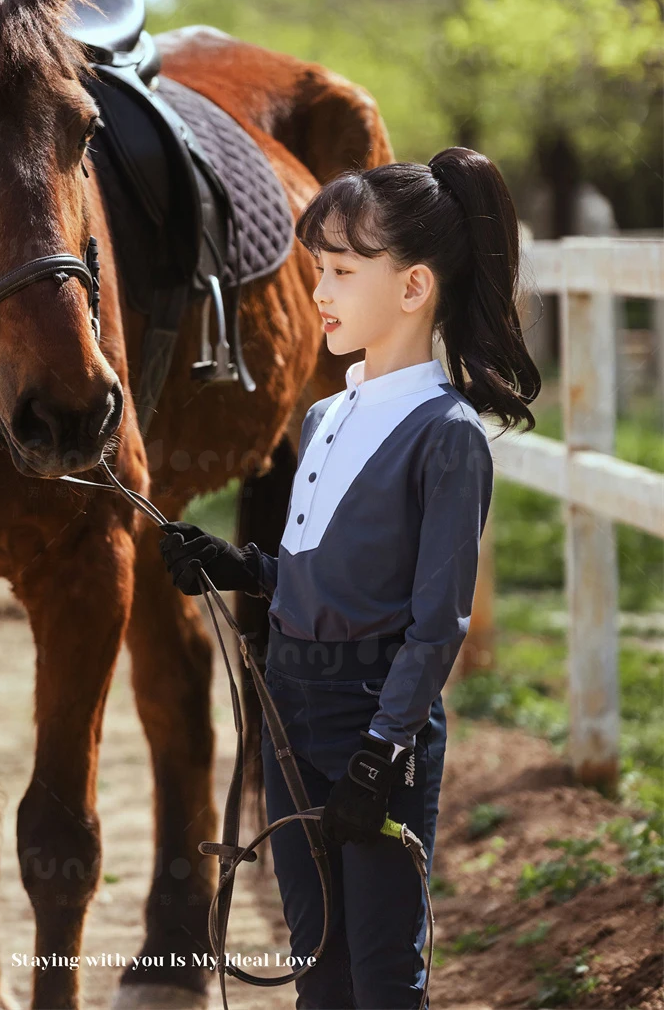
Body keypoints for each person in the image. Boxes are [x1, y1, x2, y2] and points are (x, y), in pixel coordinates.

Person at [159, 147, 540, 1010]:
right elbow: (322, 575)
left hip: (376, 726)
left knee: (381, 974)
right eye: (315, 269)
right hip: (289, 709)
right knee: (317, 966)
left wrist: (383, 746)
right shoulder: (327, 414)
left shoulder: (449, 435)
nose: (318, 293)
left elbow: (434, 623)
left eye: (338, 270)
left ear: (412, 288)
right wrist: (240, 567)